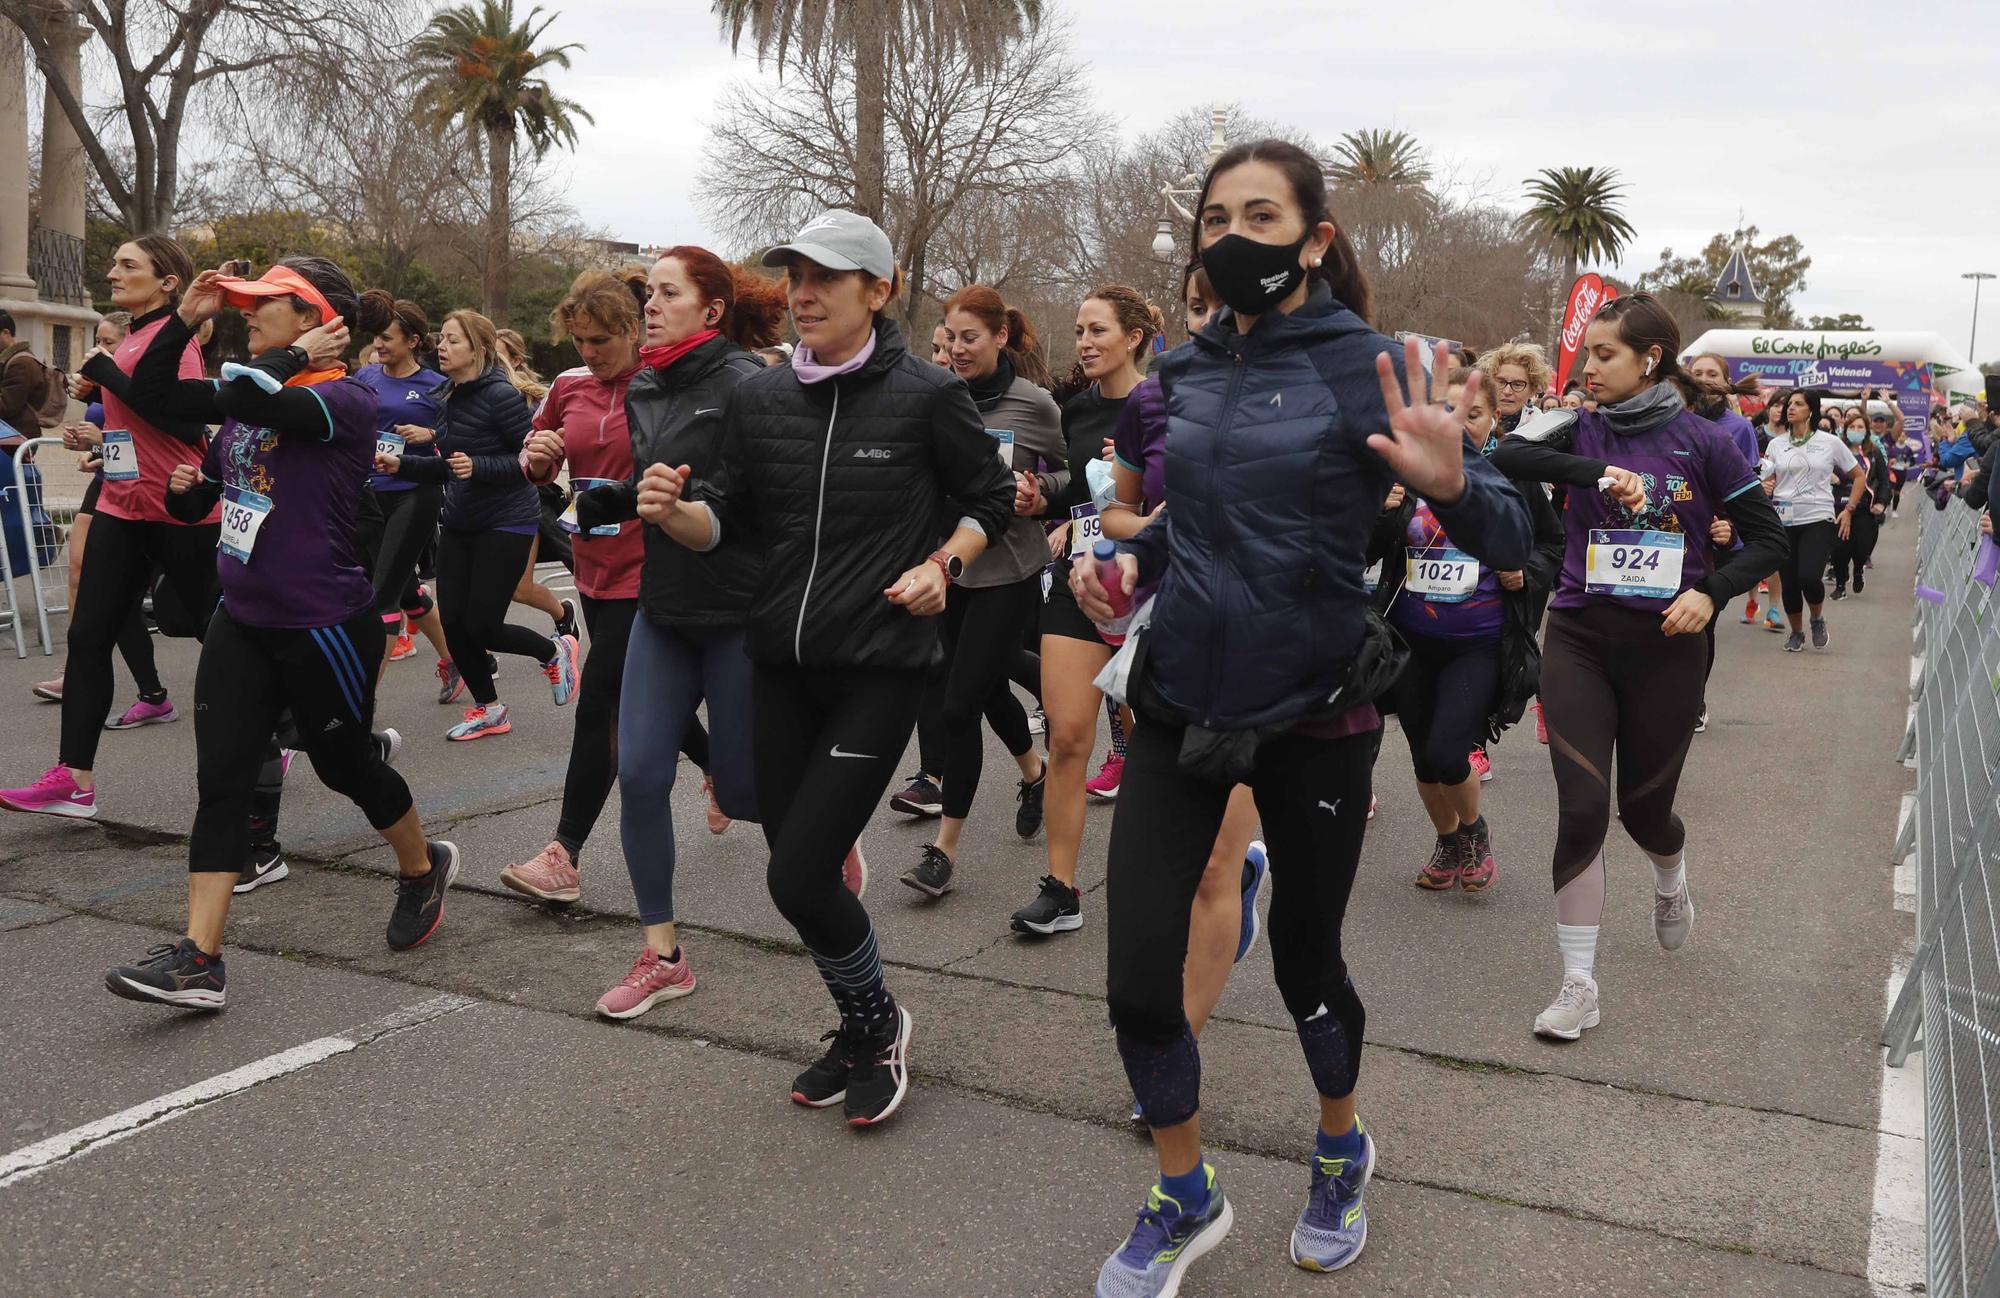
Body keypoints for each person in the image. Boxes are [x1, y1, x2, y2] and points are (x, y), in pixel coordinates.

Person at [1076, 140, 1532, 1294]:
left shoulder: (1370, 366)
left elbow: (1509, 541)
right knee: (1136, 978)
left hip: (1315, 709)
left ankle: (1339, 1145)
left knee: (1305, 963)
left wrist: (1449, 481)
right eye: (1215, 215)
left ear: (1315, 237)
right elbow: (1198, 522)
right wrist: (1123, 567)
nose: (1233, 235)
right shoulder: (1184, 369)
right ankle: (1183, 1193)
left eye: (1262, 214)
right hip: (1180, 695)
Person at [635, 209, 1015, 1126]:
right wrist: (674, 513)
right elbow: (727, 514)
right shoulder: (762, 397)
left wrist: (942, 565)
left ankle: (881, 1024)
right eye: (795, 277)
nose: (804, 294)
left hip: (880, 665)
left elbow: (990, 496)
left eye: (827, 278)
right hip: (777, 662)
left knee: (799, 876)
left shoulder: (926, 394)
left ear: (877, 291)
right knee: (789, 858)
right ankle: (858, 1022)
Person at [100, 259, 461, 1008]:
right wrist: (183, 318)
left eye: (268, 305)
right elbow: (161, 395)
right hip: (242, 615)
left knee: (345, 766)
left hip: (322, 623)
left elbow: (253, 396)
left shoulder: (345, 398)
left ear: (313, 322)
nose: (250, 313)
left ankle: (423, 868)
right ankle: (200, 960)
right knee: (222, 783)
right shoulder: (256, 389)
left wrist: (294, 359)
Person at [1491, 291, 1786, 1044]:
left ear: (1649, 359)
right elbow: (1506, 452)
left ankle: (1670, 876)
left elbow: (1767, 541)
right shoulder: (1576, 424)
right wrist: (1593, 473)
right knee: (1584, 810)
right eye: (1588, 353)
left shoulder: (1708, 441)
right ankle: (1579, 984)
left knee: (1643, 815)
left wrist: (1711, 592)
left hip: (1667, 643)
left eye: (1604, 354)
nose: (1587, 367)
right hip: (1582, 634)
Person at [520, 248, 787, 1011]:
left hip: (734, 609)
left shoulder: (751, 386)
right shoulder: (645, 387)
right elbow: (644, 485)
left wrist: (687, 509)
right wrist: (588, 502)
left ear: (711, 310)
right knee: (639, 772)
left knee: (738, 787)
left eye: (668, 293)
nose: (652, 305)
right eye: (652, 294)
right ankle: (663, 955)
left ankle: (819, 834)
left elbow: (758, 506)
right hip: (660, 604)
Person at [2, 236, 221, 820]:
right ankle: (73, 778)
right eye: (116, 263)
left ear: (167, 281)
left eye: (129, 265)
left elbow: (186, 419)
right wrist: (105, 443)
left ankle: (305, 733)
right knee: (88, 637)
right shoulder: (133, 337)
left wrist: (106, 376)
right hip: (125, 505)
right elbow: (137, 426)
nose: (113, 271)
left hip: (181, 508)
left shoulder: (177, 345)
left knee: (217, 634)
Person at [899, 286, 1062, 897]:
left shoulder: (1035, 404)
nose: (958, 349)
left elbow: (1070, 473)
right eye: (950, 339)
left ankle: (942, 851)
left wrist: (1040, 489)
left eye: (971, 338)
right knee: (988, 686)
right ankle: (1033, 770)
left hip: (1010, 571)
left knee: (959, 705)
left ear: (1000, 337)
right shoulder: (938, 400)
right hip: (949, 571)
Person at [1373, 381, 1562, 892]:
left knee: (1446, 750)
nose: (1457, 425)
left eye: (1471, 415)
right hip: (1411, 640)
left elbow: (1551, 542)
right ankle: (1448, 839)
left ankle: (1474, 832)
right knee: (1421, 757)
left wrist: (1526, 573)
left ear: (1492, 422)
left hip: (1478, 642)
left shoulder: (1508, 478)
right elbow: (1364, 551)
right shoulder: (1406, 476)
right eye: (1445, 413)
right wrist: (1384, 513)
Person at [376, 310, 581, 738]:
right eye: (442, 339)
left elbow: (529, 461)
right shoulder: (447, 395)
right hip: (461, 519)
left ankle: (553, 650)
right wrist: (401, 465)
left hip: (507, 520)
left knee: (483, 626)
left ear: (479, 350)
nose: (442, 347)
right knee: (453, 624)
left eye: (452, 340)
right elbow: (449, 465)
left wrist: (480, 466)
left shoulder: (501, 396)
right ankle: (490, 709)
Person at [1026, 285, 1160, 930]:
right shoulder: (1074, 410)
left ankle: (1158, 878)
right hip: (1081, 582)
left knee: (1154, 744)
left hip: (1151, 590)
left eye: (1098, 330)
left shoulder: (1163, 406)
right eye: (1080, 330)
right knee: (1069, 734)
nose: (1085, 342)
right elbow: (1073, 489)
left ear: (1133, 336)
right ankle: (1061, 889)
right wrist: (1047, 506)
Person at [33, 312, 178, 725]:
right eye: (98, 340)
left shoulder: (140, 377)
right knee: (85, 575)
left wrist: (105, 439)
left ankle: (274, 713)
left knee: (195, 605)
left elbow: (160, 432)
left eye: (110, 342)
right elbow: (112, 434)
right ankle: (91, 677)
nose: (101, 349)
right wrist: (90, 449)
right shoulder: (100, 385)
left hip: (158, 490)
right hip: (112, 485)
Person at [349, 294, 455, 692]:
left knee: (381, 598)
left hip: (415, 493)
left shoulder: (437, 385)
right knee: (404, 588)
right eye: (376, 337)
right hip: (370, 495)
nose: (378, 345)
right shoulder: (366, 378)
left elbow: (462, 438)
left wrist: (432, 434)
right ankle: (455, 660)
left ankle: (362, 702)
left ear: (412, 341)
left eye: (387, 338)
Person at [1757, 388, 1865, 651]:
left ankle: (1816, 619)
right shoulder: (1776, 444)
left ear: (1811, 410)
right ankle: (1796, 632)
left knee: (1808, 577)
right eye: (1789, 404)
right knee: (1790, 582)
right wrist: (1766, 486)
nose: (1790, 408)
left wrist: (1849, 508)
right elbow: (1764, 480)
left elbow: (1858, 476)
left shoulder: (1830, 442)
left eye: (1798, 404)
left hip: (1818, 517)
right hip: (1783, 520)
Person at [1830, 409, 1890, 598]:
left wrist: (1881, 503)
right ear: (1846, 429)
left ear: (1866, 430)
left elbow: (1884, 481)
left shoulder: (1874, 452)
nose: (1856, 430)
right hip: (1839, 507)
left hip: (1865, 508)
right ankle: (1840, 585)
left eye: (1860, 427)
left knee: (1861, 546)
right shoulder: (1836, 451)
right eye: (1852, 427)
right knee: (1839, 549)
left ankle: (1858, 570)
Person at [1477, 341, 1552, 435]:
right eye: (1501, 382)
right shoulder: (1470, 421)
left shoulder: (1543, 430)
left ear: (1533, 389)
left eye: (1517, 385)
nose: (1507, 391)